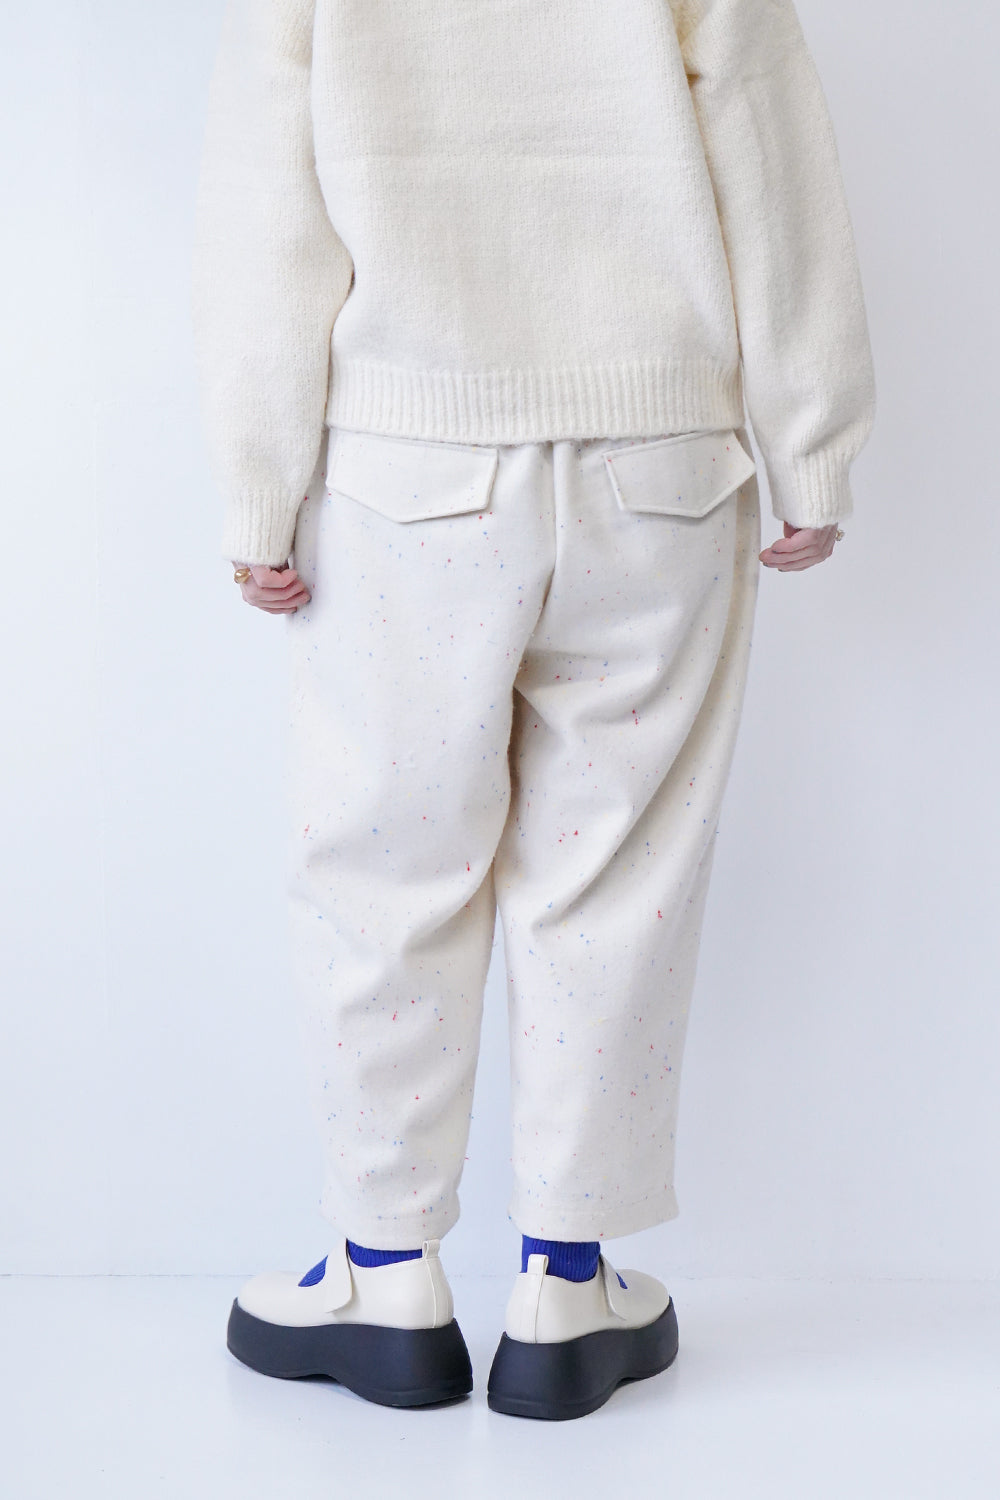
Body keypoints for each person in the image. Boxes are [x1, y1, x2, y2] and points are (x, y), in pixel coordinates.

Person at [190, 0, 875, 1420]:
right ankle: (567, 1283)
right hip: (660, 461)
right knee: (615, 877)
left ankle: (385, 1274)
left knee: (384, 874)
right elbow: (766, 133)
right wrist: (809, 440)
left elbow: (269, 186)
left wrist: (258, 481)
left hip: (405, 469)